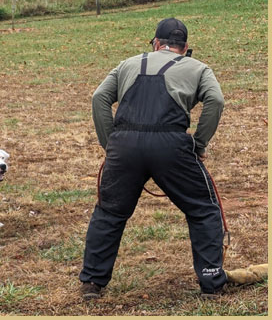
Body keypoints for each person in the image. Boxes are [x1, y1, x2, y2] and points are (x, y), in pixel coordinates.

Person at [79, 18, 228, 300]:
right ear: (184, 48)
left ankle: (92, 283)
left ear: (156, 44)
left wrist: (110, 143)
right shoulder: (198, 68)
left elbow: (99, 98)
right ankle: (211, 282)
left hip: (124, 146)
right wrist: (198, 144)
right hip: (171, 145)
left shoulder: (127, 64)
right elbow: (216, 101)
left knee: (110, 212)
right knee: (203, 209)